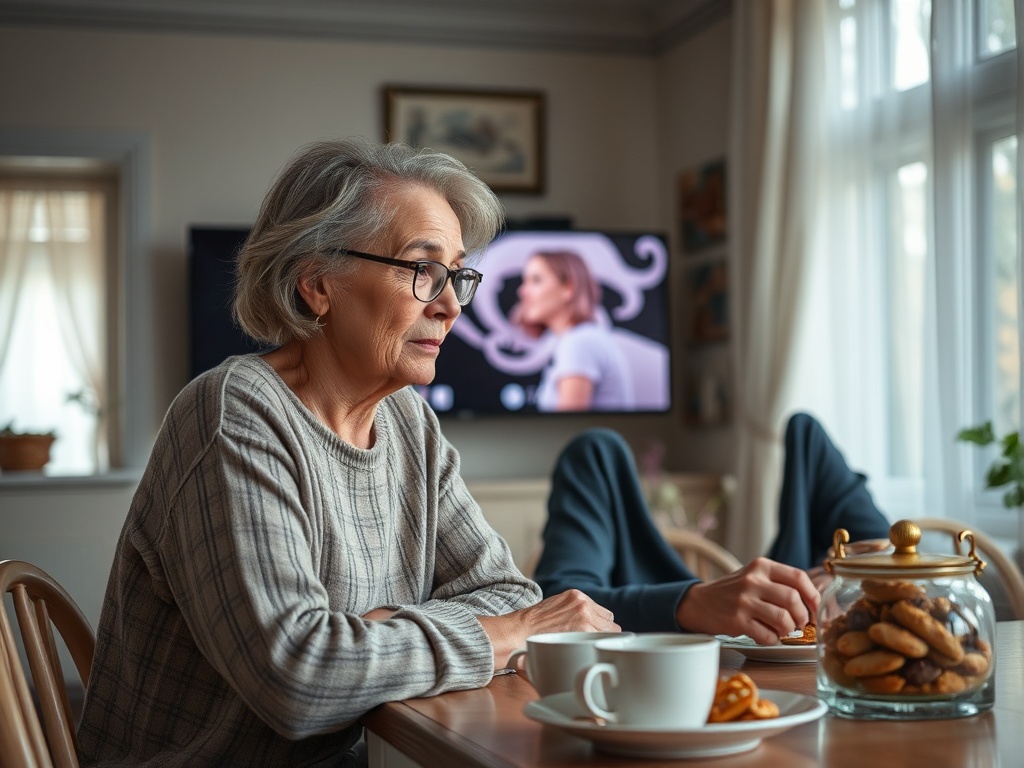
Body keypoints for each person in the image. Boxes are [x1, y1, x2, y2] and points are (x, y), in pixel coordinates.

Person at [76, 138, 618, 767]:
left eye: (456, 276)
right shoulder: (232, 413)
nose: (449, 306)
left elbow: (506, 590)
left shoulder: (408, 422)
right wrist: (508, 635)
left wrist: (372, 632)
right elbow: (299, 679)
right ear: (317, 284)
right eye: (422, 270)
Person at [532, 413, 892, 645]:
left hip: (806, 686)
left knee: (807, 433)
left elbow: (893, 556)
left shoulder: (811, 448)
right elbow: (557, 609)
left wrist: (840, 577)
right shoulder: (593, 459)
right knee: (594, 449)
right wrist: (690, 604)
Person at [512, 249, 634, 411]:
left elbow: (569, 424)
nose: (522, 292)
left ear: (568, 288)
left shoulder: (578, 343)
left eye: (536, 280)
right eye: (525, 281)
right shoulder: (579, 339)